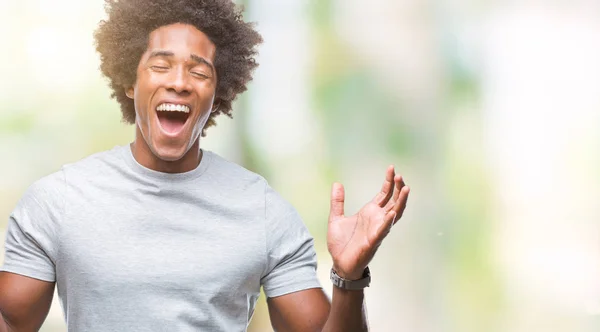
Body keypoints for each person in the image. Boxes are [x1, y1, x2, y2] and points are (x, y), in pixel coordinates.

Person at [0, 0, 410, 331]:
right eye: (160, 65)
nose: (179, 81)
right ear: (130, 81)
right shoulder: (58, 200)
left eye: (199, 71)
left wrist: (349, 277)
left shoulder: (261, 209)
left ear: (218, 93)